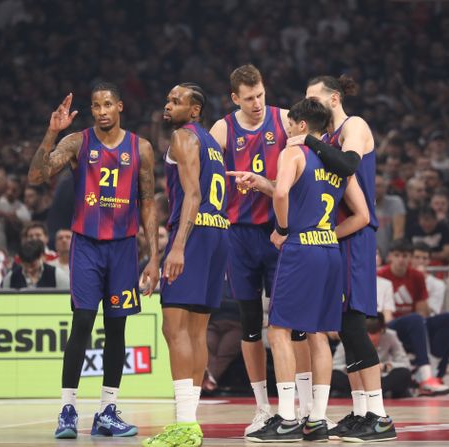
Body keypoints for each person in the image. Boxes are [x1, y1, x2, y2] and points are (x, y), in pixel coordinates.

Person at [233, 98, 369, 443]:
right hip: (329, 251)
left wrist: (282, 229)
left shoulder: (293, 152)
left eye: (291, 125)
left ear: (302, 126)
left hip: (301, 250)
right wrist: (327, 234)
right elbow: (363, 216)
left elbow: (282, 193)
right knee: (318, 334)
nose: (287, 130)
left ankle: (287, 418)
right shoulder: (338, 163)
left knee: (279, 331)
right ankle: (317, 419)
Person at [27, 84, 159, 439]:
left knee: (117, 328)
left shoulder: (141, 148)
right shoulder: (77, 142)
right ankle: (67, 410)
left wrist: (154, 257)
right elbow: (36, 176)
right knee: (83, 322)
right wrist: (52, 132)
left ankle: (107, 411)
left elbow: (148, 202)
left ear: (120, 107)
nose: (101, 111)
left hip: (123, 249)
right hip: (86, 245)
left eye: (107, 104)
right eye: (96, 106)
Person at [289, 75, 396, 442]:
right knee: (344, 327)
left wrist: (308, 140)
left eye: (315, 97)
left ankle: (380, 416)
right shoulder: (328, 139)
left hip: (355, 235)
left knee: (353, 325)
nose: (310, 103)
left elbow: (349, 165)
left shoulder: (355, 126)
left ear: (334, 98)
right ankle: (362, 411)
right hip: (334, 236)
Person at [210, 64, 313, 434]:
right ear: (234, 98)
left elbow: (307, 173)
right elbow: (206, 180)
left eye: (260, 95)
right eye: (248, 98)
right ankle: (262, 408)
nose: (256, 103)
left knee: (294, 325)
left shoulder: (285, 120)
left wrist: (269, 187)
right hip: (239, 236)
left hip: (278, 233)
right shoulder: (222, 129)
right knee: (250, 324)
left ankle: (306, 408)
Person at [143, 83, 229, 447]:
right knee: (196, 332)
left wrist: (176, 247)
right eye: (167, 99)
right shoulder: (212, 144)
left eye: (176, 101)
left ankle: (183, 423)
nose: (168, 105)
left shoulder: (183, 136)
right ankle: (190, 424)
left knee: (174, 328)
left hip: (192, 236)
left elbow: (192, 194)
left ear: (194, 110)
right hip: (218, 233)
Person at [378, 239, 449, 393]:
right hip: (390, 324)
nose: (401, 260)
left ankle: (435, 372)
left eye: (405, 256)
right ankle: (426, 375)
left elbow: (422, 311)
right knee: (415, 319)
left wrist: (424, 283)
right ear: (390, 257)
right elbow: (384, 314)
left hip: (414, 324)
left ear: (410, 258)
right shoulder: (381, 276)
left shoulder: (417, 276)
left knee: (448, 319)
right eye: (397, 255)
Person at [1, 239, 70, 289]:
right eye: (25, 266)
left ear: (42, 256)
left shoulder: (56, 274)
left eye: (33, 265)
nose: (29, 269)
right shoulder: (11, 277)